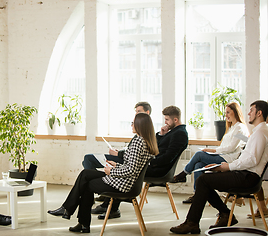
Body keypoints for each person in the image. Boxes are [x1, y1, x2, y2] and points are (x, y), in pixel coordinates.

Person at [47, 113, 159, 233]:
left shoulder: (138, 142)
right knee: (85, 174)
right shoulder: (146, 142)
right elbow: (133, 166)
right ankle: (70, 212)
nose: (131, 125)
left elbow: (131, 170)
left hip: (123, 184)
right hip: (128, 182)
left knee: (85, 184)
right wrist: (116, 165)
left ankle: (77, 218)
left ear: (140, 125)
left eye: (133, 123)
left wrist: (111, 171)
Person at [170, 100, 268, 234]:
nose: (248, 113)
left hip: (247, 177)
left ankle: (194, 221)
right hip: (244, 173)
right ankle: (223, 214)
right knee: (203, 178)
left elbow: (251, 160)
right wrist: (222, 165)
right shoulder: (258, 131)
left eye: (251, 110)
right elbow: (247, 157)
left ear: (259, 113)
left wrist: (227, 167)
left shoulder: (258, 133)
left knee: (203, 180)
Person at [93, 105, 188, 219]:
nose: (165, 122)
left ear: (175, 120)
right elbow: (155, 146)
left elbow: (168, 158)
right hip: (154, 165)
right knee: (125, 167)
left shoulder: (180, 134)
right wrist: (161, 134)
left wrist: (148, 162)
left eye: (167, 120)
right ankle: (110, 205)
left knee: (126, 170)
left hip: (160, 170)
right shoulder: (172, 131)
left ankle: (111, 206)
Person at [171, 102, 249, 204]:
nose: (226, 115)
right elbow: (224, 147)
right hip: (223, 156)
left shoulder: (240, 128)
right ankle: (197, 195)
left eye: (228, 112)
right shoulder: (231, 128)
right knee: (198, 165)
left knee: (199, 154)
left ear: (236, 112)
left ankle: (183, 174)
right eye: (226, 113)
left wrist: (213, 150)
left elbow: (231, 148)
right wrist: (214, 151)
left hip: (229, 159)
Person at [82, 101, 151, 170]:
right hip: (124, 158)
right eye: (136, 111)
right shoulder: (140, 133)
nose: (136, 114)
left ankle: (94, 179)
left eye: (139, 111)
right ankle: (93, 179)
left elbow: (133, 155)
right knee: (86, 161)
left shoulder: (144, 135)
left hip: (125, 161)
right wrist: (119, 152)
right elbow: (131, 151)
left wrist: (118, 154)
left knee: (88, 159)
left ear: (147, 112)